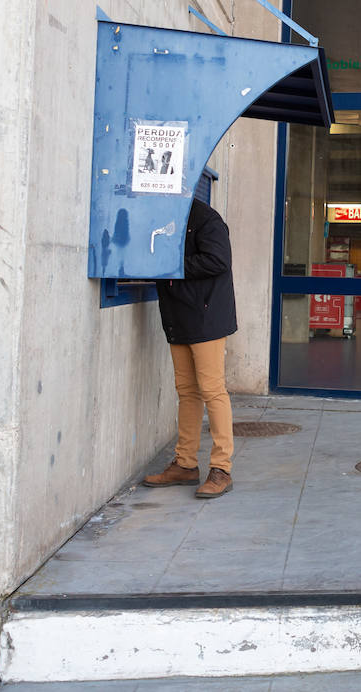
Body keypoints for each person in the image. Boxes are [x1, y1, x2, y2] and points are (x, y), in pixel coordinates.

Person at [142, 198, 238, 499]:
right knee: (186, 391)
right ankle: (185, 464)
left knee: (212, 390)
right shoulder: (164, 217)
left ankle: (221, 468)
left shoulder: (207, 219)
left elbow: (218, 260)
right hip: (178, 318)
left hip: (206, 318)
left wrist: (170, 263)